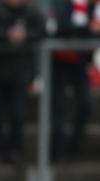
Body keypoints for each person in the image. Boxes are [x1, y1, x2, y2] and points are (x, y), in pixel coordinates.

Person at [0, 0, 44, 162]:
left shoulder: (32, 11)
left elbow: (42, 31)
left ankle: (15, 149)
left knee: (19, 114)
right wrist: (6, 34)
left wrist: (25, 35)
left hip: (20, 73)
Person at [50, 0, 100, 160]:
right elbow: (59, 27)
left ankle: (73, 146)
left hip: (79, 63)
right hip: (59, 64)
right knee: (58, 108)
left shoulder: (92, 7)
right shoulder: (60, 4)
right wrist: (86, 28)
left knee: (86, 104)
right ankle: (57, 151)